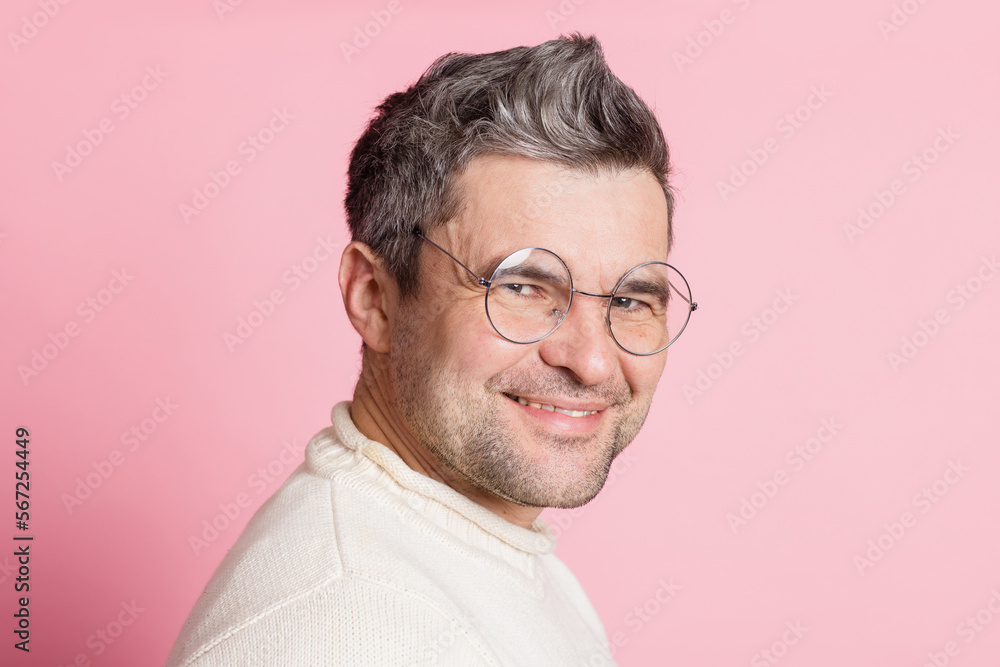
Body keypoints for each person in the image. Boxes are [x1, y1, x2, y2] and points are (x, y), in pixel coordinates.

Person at [167, 33, 696, 667]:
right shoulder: (343, 628)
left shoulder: (482, 560)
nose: (591, 362)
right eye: (523, 287)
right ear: (375, 299)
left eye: (630, 301)